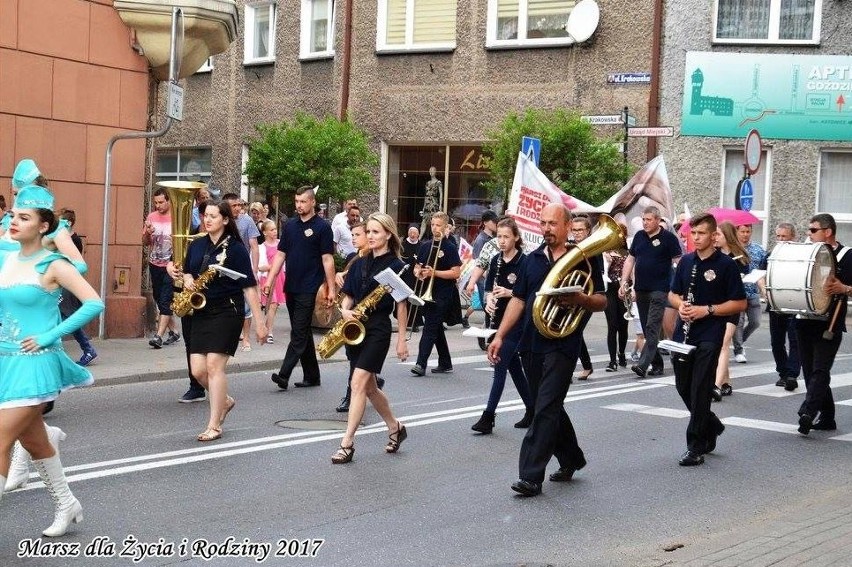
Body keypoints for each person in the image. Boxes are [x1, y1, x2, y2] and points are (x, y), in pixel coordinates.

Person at [0, 184, 105, 536]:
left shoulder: (54, 265)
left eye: (23, 217)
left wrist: (49, 335)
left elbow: (94, 303)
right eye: (13, 215)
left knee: (0, 440)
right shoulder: (6, 256)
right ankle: (66, 503)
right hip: (5, 362)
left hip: (37, 362)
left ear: (44, 226)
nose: (14, 222)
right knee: (33, 442)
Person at [488, 204, 606, 497]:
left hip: (563, 343)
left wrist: (581, 299)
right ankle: (572, 458)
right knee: (549, 406)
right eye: (543, 223)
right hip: (532, 342)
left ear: (567, 225)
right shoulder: (532, 260)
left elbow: (602, 300)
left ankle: (530, 476)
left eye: (552, 223)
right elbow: (518, 300)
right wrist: (499, 335)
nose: (547, 228)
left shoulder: (585, 258)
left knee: (544, 408)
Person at [180, 201, 267, 442]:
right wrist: (187, 279)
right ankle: (225, 401)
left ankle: (214, 425)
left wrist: (260, 323)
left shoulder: (236, 249)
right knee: (197, 371)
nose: (207, 220)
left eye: (213, 216)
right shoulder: (197, 245)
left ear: (225, 220)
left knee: (214, 367)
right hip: (201, 312)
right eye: (205, 216)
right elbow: (187, 270)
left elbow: (249, 287)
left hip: (227, 311)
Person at [330, 213, 410, 463]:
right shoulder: (361, 263)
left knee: (357, 384)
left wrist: (401, 340)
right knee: (371, 388)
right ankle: (395, 427)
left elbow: (401, 304)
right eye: (370, 232)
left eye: (377, 232)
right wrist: (344, 310)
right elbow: (349, 295)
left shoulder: (397, 266)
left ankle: (347, 443)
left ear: (388, 234)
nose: (372, 236)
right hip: (356, 327)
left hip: (377, 330)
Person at [668, 212, 746, 466]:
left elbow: (740, 302)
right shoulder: (686, 262)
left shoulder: (726, 265)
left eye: (701, 233)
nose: (696, 237)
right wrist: (681, 305)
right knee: (683, 386)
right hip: (684, 333)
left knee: (701, 388)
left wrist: (707, 310)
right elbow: (672, 294)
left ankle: (695, 447)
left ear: (713, 236)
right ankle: (711, 424)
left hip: (711, 333)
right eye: (693, 233)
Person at [264, 186, 336, 390]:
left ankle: (284, 374)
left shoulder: (322, 227)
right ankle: (312, 376)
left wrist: (331, 289)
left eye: (303, 202)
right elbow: (280, 254)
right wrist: (270, 280)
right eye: (297, 202)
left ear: (313, 202)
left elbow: (327, 259)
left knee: (298, 331)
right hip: (292, 284)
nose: (299, 205)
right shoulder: (290, 225)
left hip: (310, 285)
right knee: (302, 331)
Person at [470, 217, 533, 434]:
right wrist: (488, 301)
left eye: (506, 237)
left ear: (516, 237)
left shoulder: (524, 262)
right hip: (497, 320)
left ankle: (488, 416)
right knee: (514, 367)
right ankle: (532, 409)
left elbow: (528, 295)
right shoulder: (496, 259)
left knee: (499, 365)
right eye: (499, 236)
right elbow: (488, 288)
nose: (502, 241)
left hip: (516, 323)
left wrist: (509, 293)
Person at [795, 213, 851, 435]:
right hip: (805, 320)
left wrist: (845, 288)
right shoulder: (806, 253)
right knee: (810, 372)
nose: (808, 234)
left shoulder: (847, 256)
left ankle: (807, 412)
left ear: (827, 232)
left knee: (820, 369)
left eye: (813, 230)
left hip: (831, 322)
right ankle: (828, 417)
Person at [619, 206, 682, 378]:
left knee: (652, 326)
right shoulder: (639, 236)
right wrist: (624, 281)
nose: (645, 223)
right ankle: (657, 364)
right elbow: (630, 259)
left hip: (660, 289)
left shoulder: (668, 239)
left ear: (657, 220)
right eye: (643, 219)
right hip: (641, 289)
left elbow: (679, 261)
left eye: (648, 219)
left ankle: (642, 365)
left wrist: (682, 284)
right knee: (648, 330)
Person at [411, 212, 461, 376]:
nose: (434, 228)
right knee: (436, 327)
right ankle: (445, 362)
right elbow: (417, 267)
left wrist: (434, 273)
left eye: (438, 225)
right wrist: (418, 272)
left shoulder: (450, 247)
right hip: (426, 292)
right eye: (433, 225)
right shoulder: (425, 245)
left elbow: (455, 273)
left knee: (430, 328)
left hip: (443, 294)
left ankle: (420, 363)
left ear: (446, 227)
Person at [712, 221, 750, 400]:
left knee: (723, 344)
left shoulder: (739, 257)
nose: (715, 237)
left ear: (726, 235)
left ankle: (716, 385)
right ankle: (726, 381)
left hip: (732, 304)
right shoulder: (714, 255)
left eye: (718, 234)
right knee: (720, 343)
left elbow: (743, 277)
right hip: (716, 304)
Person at [760, 222, 800, 391]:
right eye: (778, 236)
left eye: (784, 236)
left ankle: (792, 375)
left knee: (794, 340)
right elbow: (760, 275)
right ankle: (783, 372)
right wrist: (764, 291)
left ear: (793, 237)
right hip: (775, 303)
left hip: (795, 303)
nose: (781, 239)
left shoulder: (799, 255)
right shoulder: (771, 254)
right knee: (776, 341)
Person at [57, 208, 97, 366]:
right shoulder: (62, 238)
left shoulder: (73, 240)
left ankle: (87, 349)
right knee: (65, 317)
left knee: (64, 317)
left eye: (59, 222)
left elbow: (74, 263)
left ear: (68, 223)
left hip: (69, 284)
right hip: (62, 281)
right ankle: (87, 349)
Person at [143, 188, 181, 349]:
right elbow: (145, 242)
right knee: (159, 297)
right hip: (155, 262)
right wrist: (148, 233)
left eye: (161, 202)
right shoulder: (151, 217)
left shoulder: (176, 217)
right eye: (155, 202)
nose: (158, 206)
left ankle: (158, 336)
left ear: (168, 201)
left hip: (171, 264)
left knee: (165, 299)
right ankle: (174, 331)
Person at [222, 193, 261, 352]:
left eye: (240, 205)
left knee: (246, 305)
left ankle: (246, 339)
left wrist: (255, 269)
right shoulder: (222, 220)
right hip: (224, 267)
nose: (238, 208)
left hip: (242, 268)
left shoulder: (247, 221)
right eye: (234, 206)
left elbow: (254, 246)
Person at [732, 223, 766, 363]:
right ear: (736, 232)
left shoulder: (758, 250)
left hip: (753, 292)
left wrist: (763, 289)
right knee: (738, 323)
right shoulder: (732, 249)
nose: (745, 234)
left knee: (755, 322)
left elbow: (762, 270)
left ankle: (739, 341)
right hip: (737, 293)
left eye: (748, 231)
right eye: (742, 231)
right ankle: (738, 349)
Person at [464, 210, 499, 328]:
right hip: (484, 280)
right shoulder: (481, 240)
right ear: (485, 222)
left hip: (492, 280)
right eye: (493, 221)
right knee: (488, 307)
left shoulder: (493, 237)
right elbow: (479, 263)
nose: (496, 223)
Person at [570, 216, 595, 380]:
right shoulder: (570, 248)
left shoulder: (593, 248)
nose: (577, 233)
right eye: (574, 230)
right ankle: (586, 366)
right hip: (572, 293)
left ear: (588, 231)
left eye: (580, 230)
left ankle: (570, 369)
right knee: (573, 330)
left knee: (575, 330)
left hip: (588, 296)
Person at [603, 223, 630, 371]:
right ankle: (612, 360)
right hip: (610, 291)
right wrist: (606, 261)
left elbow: (632, 272)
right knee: (612, 325)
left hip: (624, 290)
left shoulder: (628, 253)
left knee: (623, 326)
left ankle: (621, 353)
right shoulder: (605, 252)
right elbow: (603, 273)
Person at [257, 219, 285, 344]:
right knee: (270, 304)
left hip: (279, 277)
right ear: (265, 232)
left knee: (274, 305)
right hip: (266, 278)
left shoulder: (281, 244)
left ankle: (269, 329)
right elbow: (259, 266)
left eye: (275, 229)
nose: (275, 232)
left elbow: (285, 261)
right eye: (272, 230)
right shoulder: (261, 247)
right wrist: (272, 267)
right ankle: (267, 330)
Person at [420, 167, 443, 238]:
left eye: (432, 171)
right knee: (424, 221)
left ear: (435, 172)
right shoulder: (428, 183)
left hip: (434, 203)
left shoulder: (438, 182)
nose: (431, 173)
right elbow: (426, 196)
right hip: (427, 203)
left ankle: (435, 237)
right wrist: (423, 207)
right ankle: (420, 237)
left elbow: (441, 194)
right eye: (430, 171)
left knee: (434, 221)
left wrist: (440, 205)